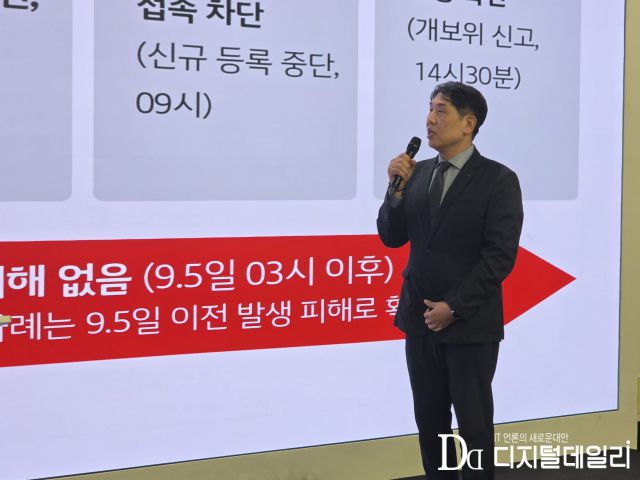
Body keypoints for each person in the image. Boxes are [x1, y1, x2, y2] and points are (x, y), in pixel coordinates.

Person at [377, 82, 524, 479]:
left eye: (441, 110)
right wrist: (394, 193)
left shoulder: (498, 179)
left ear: (468, 123)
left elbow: (499, 257)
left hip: (469, 326)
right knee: (430, 425)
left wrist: (454, 307)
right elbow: (391, 237)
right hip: (419, 321)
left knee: (474, 429)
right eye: (429, 109)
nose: (430, 119)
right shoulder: (417, 173)